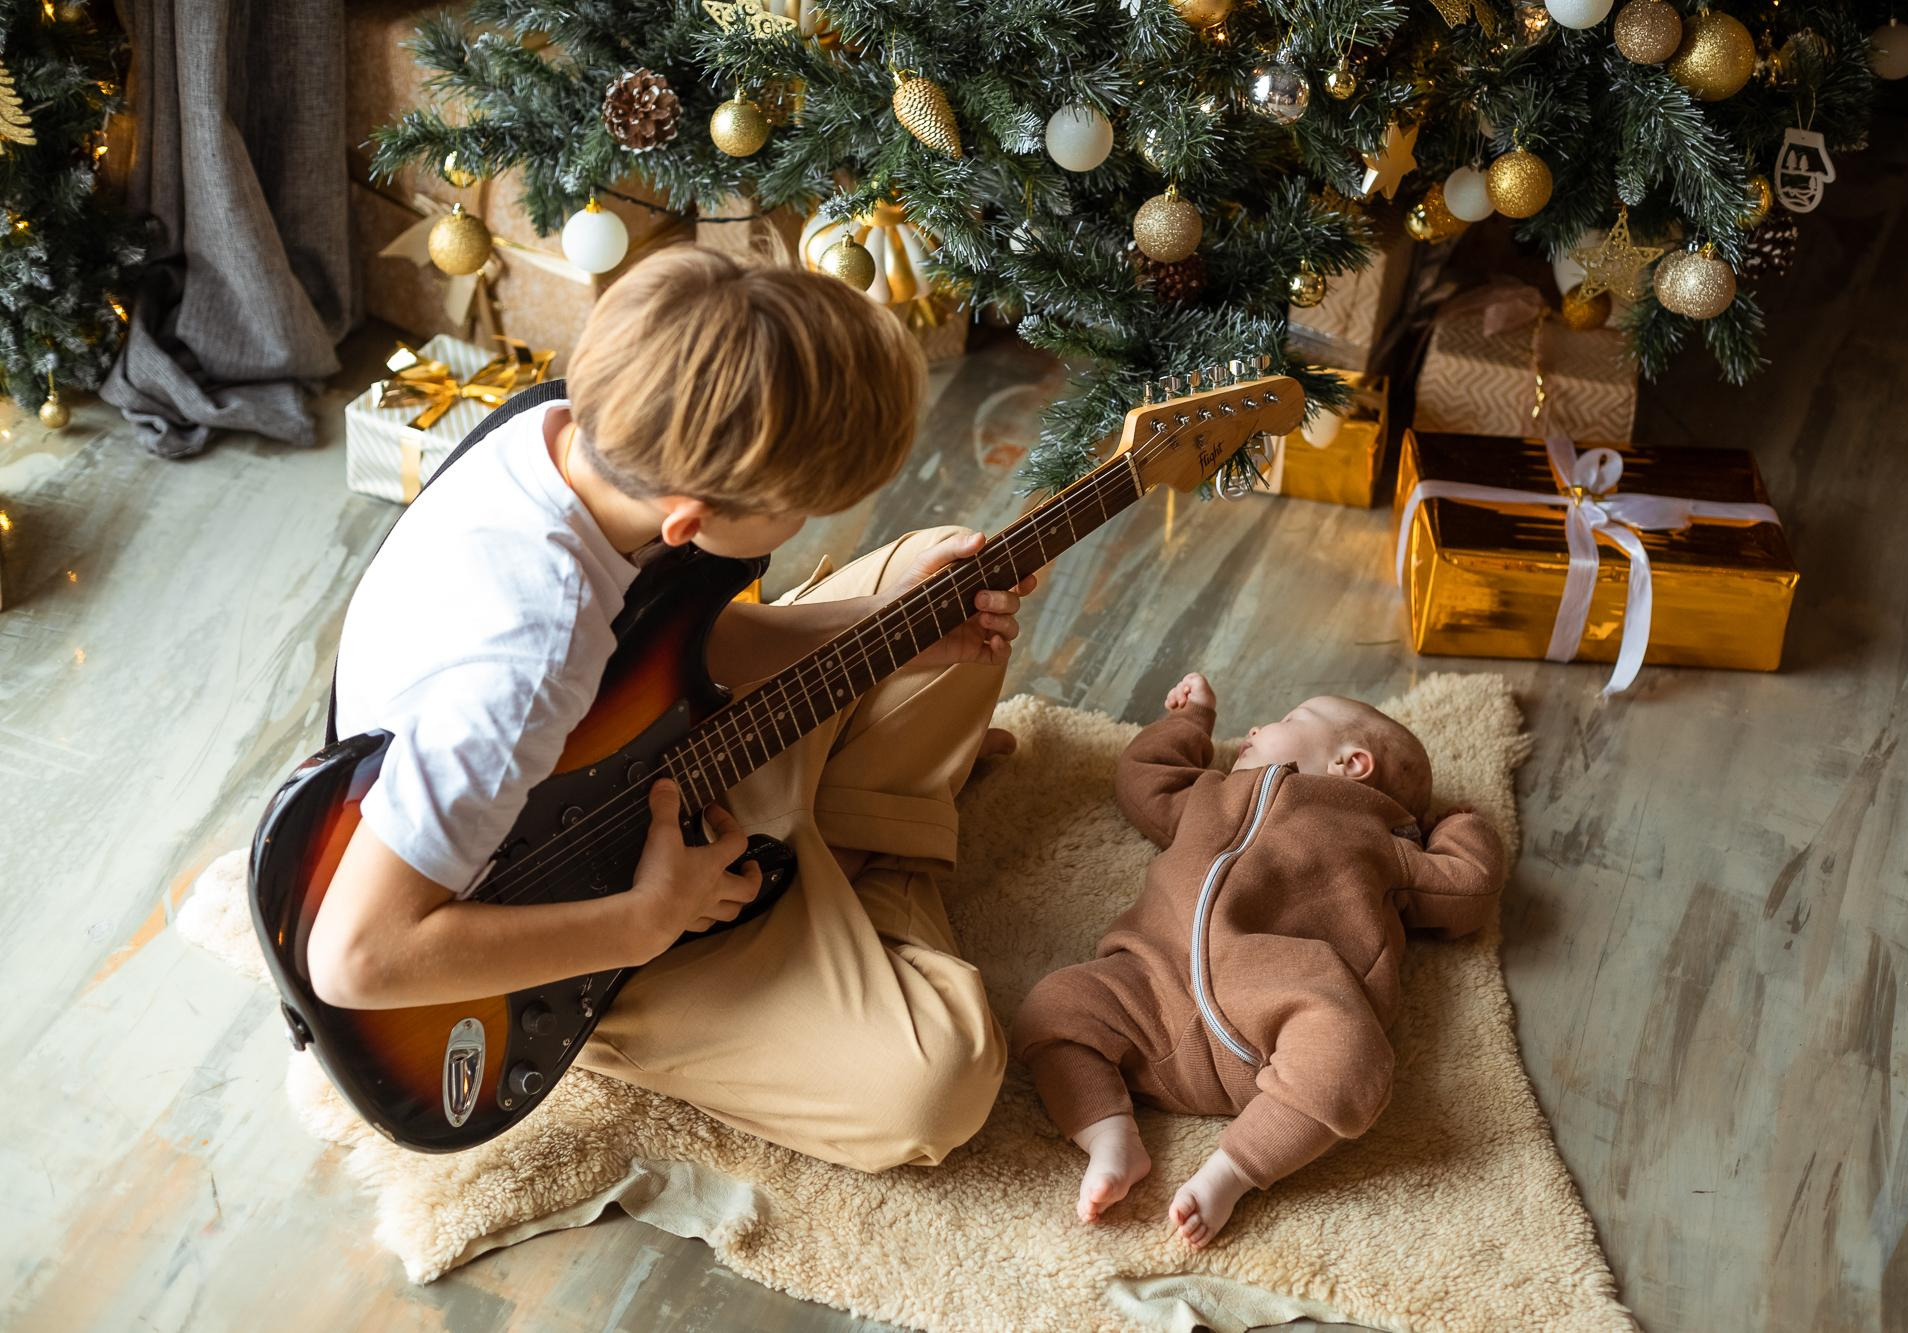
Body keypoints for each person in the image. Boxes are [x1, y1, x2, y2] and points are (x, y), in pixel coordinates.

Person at [306, 246, 1035, 1172]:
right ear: (688, 523)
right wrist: (650, 915)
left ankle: (826, 869)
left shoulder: (569, 429)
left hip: (628, 761)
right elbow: (358, 957)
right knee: (939, 1081)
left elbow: (662, 648)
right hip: (547, 921)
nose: (802, 530)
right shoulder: (525, 662)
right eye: (796, 515)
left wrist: (880, 627)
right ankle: (838, 877)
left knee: (947, 583)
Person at [1013, 671, 1504, 1246]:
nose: (1256, 727)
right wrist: (1188, 722)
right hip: (1148, 985)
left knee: (1354, 1058)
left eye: (1290, 719)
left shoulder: (1378, 841)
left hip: (1284, 1004)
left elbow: (1468, 889)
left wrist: (1458, 823)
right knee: (1053, 1006)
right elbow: (1143, 779)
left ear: (1352, 763)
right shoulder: (1211, 793)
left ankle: (1231, 1173)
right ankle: (1109, 1135)